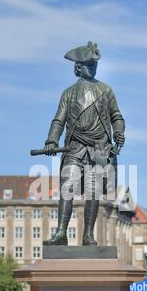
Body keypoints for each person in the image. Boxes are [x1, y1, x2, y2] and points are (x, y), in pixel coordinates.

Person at [44, 41, 125, 246]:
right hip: (74, 147)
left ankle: (88, 234)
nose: (93, 68)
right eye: (89, 65)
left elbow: (117, 117)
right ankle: (61, 232)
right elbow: (58, 120)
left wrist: (119, 132)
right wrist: (52, 139)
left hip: (98, 148)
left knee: (93, 191)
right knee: (67, 187)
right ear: (78, 68)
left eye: (95, 65)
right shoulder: (69, 93)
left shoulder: (106, 91)